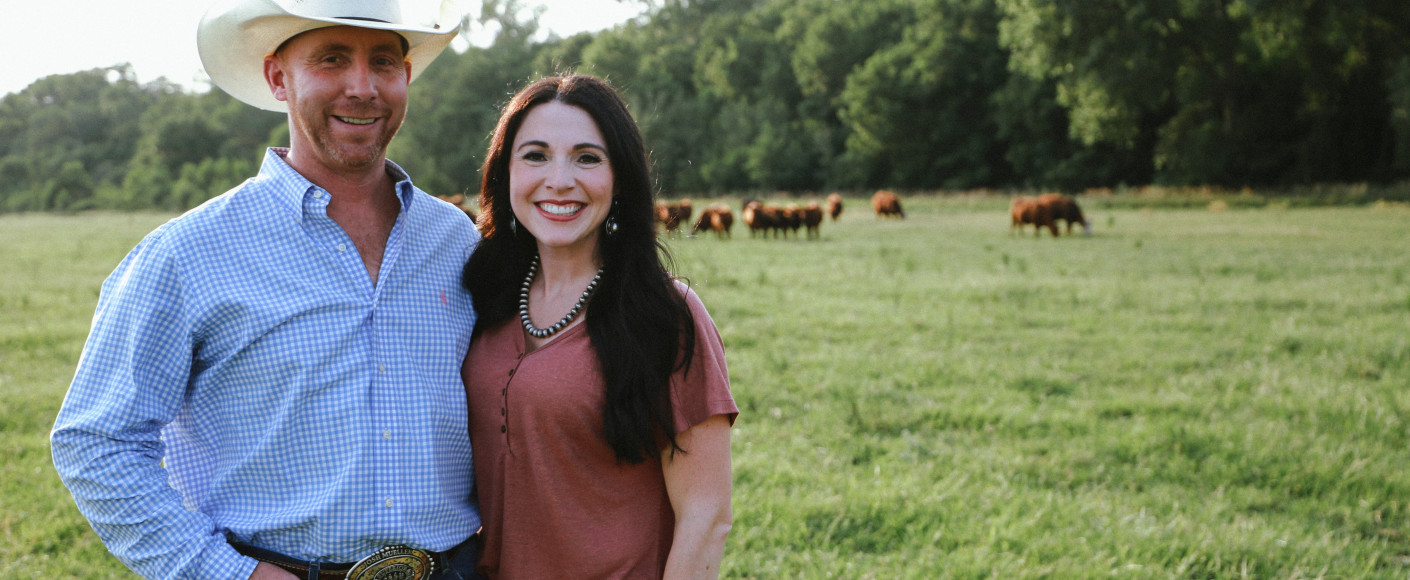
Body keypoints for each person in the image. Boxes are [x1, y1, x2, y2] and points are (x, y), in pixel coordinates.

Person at [50, 1, 483, 579]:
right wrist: (224, 574)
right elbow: (96, 439)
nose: (362, 87)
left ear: (404, 77)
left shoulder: (454, 240)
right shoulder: (188, 253)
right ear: (278, 77)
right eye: (331, 59)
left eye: (383, 61)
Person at [460, 74, 738, 579]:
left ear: (620, 179)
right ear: (505, 174)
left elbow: (707, 516)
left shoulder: (663, 315)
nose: (560, 179)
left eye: (587, 158)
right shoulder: (481, 300)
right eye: (536, 155)